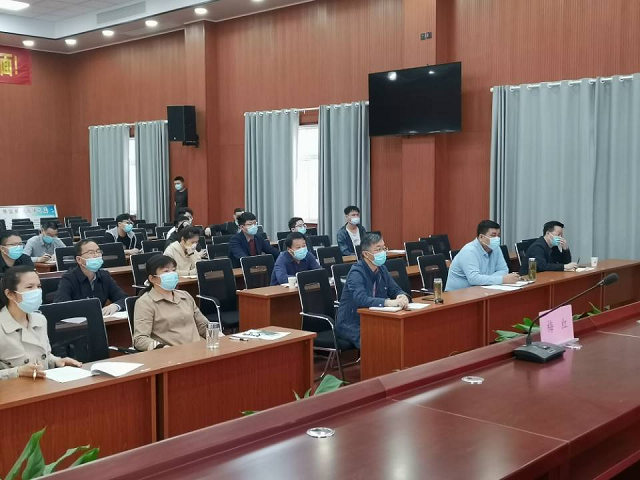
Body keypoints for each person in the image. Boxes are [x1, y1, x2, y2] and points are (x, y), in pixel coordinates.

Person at [0, 266, 82, 380]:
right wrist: (17, 371)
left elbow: (45, 356)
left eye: (38, 286)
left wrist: (57, 361)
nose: (37, 291)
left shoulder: (40, 319)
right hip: (13, 388)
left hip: (42, 384)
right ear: (10, 294)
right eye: (30, 287)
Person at [335, 232, 409, 349]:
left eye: (384, 248)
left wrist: (401, 295)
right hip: (351, 323)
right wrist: (387, 302)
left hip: (375, 319)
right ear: (366, 254)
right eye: (378, 249)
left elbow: (394, 289)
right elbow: (361, 299)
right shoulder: (356, 272)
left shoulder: (382, 269)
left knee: (398, 333)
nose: (383, 252)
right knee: (374, 340)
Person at [133, 255, 209, 351]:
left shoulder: (185, 296)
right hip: (172, 353)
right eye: (166, 271)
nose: (172, 274)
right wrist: (163, 349)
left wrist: (219, 337)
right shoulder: (145, 303)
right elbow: (140, 339)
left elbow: (203, 325)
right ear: (152, 278)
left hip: (198, 349)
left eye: (173, 270)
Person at [54, 239, 127, 316]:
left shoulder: (104, 276)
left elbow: (124, 298)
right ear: (79, 260)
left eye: (98, 251)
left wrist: (115, 306)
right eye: (91, 253)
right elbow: (60, 306)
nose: (97, 255)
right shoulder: (69, 278)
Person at [446, 220, 519, 291]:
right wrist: (501, 279)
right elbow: (474, 279)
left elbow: (504, 270)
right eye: (493, 235)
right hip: (458, 294)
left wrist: (485, 279)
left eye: (498, 235)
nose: (497, 238)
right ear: (481, 237)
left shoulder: (496, 248)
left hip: (481, 290)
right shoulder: (469, 251)